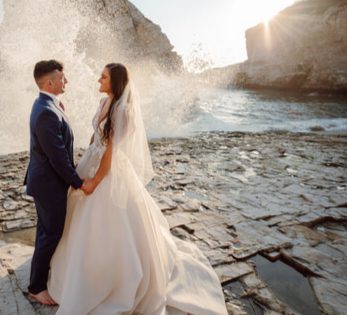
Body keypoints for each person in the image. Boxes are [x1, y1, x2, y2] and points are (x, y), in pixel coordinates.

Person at [47, 63, 228, 314]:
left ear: (116, 81)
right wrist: (84, 159)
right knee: (78, 218)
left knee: (111, 221)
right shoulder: (103, 103)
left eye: (104, 76)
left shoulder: (124, 110)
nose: (99, 78)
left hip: (109, 171)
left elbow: (111, 150)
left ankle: (111, 279)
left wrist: (95, 181)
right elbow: (96, 136)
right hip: (92, 161)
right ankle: (77, 271)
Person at [25, 59, 91, 305]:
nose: (67, 80)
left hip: (46, 181)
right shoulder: (45, 111)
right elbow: (57, 156)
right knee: (50, 233)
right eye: (62, 77)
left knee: (46, 231)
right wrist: (78, 182)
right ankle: (36, 287)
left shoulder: (48, 104)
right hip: (48, 184)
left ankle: (41, 275)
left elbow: (59, 146)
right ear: (50, 82)